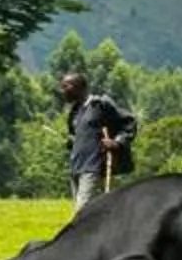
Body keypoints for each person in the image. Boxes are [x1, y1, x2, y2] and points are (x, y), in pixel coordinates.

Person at [57, 72, 133, 209]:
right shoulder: (75, 112)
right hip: (76, 168)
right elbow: (79, 136)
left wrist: (117, 142)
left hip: (94, 168)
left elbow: (129, 122)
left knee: (82, 213)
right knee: (90, 214)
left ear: (79, 87)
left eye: (65, 86)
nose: (62, 91)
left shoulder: (100, 105)